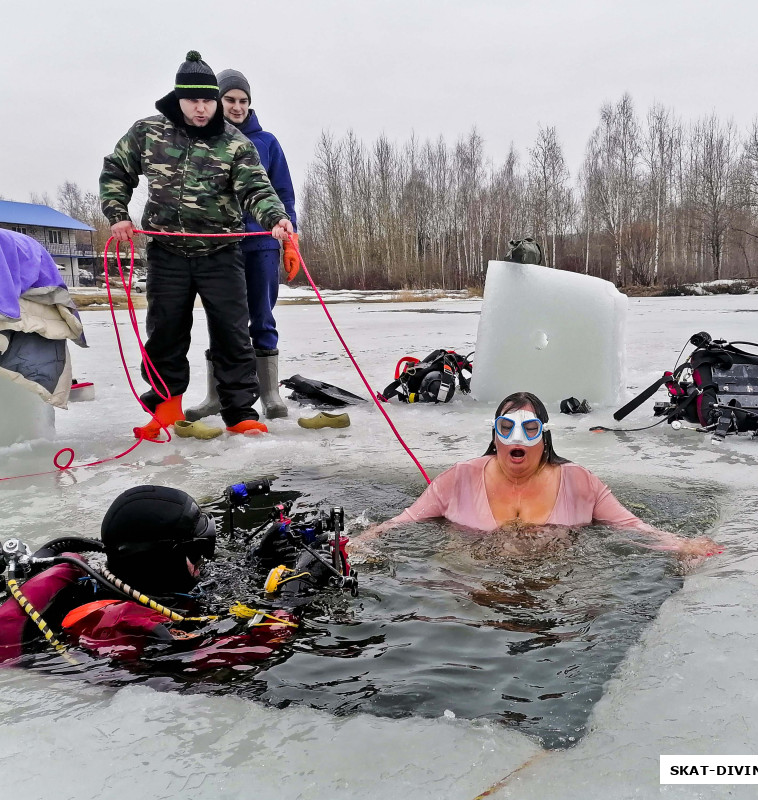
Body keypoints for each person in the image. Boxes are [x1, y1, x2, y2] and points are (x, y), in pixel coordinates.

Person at [99, 51, 294, 440]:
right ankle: (165, 407)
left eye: (208, 100)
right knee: (166, 330)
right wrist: (117, 213)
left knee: (232, 332)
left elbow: (257, 186)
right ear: (179, 99)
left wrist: (278, 219)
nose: (202, 109)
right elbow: (116, 170)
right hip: (167, 251)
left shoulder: (235, 141)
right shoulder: (148, 132)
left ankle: (239, 411)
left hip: (221, 252)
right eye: (194, 100)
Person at [352, 391, 721, 560]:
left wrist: (681, 544)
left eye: (529, 430)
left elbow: (631, 525)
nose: (517, 441)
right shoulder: (459, 478)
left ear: (544, 436)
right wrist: (362, 542)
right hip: (469, 583)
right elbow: (405, 520)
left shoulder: (580, 482)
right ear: (494, 435)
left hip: (557, 588)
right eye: (507, 429)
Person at [0, 485, 295, 667]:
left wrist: (260, 561)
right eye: (195, 551)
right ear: (160, 562)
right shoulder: (118, 624)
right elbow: (225, 658)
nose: (203, 560)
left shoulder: (123, 578)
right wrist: (293, 597)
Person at [187, 68, 298, 422]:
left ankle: (269, 394)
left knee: (261, 317)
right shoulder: (204, 140)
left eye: (243, 101)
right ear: (217, 102)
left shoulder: (267, 142)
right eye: (230, 99)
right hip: (220, 245)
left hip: (261, 243)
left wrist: (289, 236)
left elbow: (283, 192)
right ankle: (217, 395)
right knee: (223, 320)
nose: (237, 107)